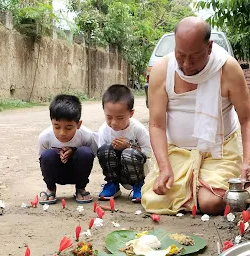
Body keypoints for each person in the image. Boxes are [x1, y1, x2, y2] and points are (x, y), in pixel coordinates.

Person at [141, 17, 250, 215]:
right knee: (155, 199)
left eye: (195, 56)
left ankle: (203, 189)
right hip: (177, 150)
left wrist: (247, 162)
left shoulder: (228, 69)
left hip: (219, 150)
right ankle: (192, 187)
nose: (187, 64)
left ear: (209, 47)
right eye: (180, 55)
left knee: (211, 203)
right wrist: (165, 167)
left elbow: (246, 119)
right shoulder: (162, 69)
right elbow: (157, 125)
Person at [38, 94, 97, 205]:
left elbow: (91, 157)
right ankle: (50, 189)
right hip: (56, 174)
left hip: (78, 173)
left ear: (79, 124)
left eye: (68, 127)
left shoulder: (87, 136)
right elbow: (42, 161)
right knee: (47, 155)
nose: (62, 133)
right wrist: (57, 153)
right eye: (56, 126)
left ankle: (80, 188)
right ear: (51, 122)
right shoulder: (44, 137)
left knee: (85, 152)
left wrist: (74, 152)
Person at [97, 84, 152, 203]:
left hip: (136, 171)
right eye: (109, 117)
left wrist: (129, 146)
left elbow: (149, 152)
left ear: (131, 114)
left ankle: (139, 186)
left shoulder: (137, 129)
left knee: (129, 153)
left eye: (120, 118)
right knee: (104, 149)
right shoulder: (103, 130)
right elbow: (101, 154)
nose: (114, 122)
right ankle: (112, 185)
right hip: (116, 171)